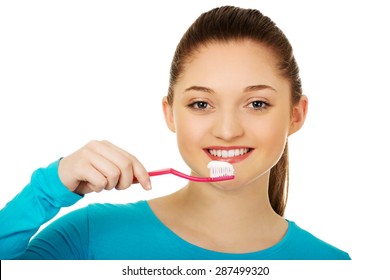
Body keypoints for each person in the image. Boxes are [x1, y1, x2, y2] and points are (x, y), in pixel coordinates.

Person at [0, 5, 350, 260]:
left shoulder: (330, 265)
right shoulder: (90, 235)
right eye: (201, 104)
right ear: (170, 113)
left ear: (296, 115)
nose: (227, 131)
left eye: (257, 103)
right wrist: (47, 189)